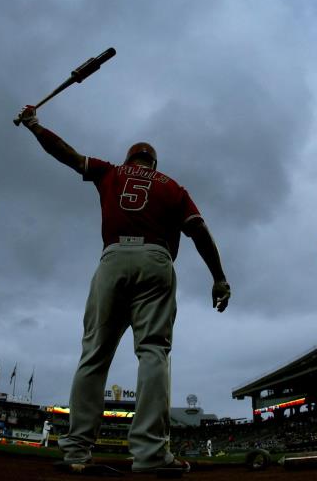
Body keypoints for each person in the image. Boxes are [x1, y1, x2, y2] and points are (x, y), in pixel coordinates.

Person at [17, 105, 231, 474]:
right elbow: (198, 230)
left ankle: (76, 453)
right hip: (156, 259)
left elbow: (65, 155)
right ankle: (150, 455)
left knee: (94, 355)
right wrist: (219, 277)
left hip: (113, 257)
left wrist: (35, 126)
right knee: (153, 354)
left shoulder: (111, 172)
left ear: (130, 158)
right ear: (154, 162)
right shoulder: (172, 186)